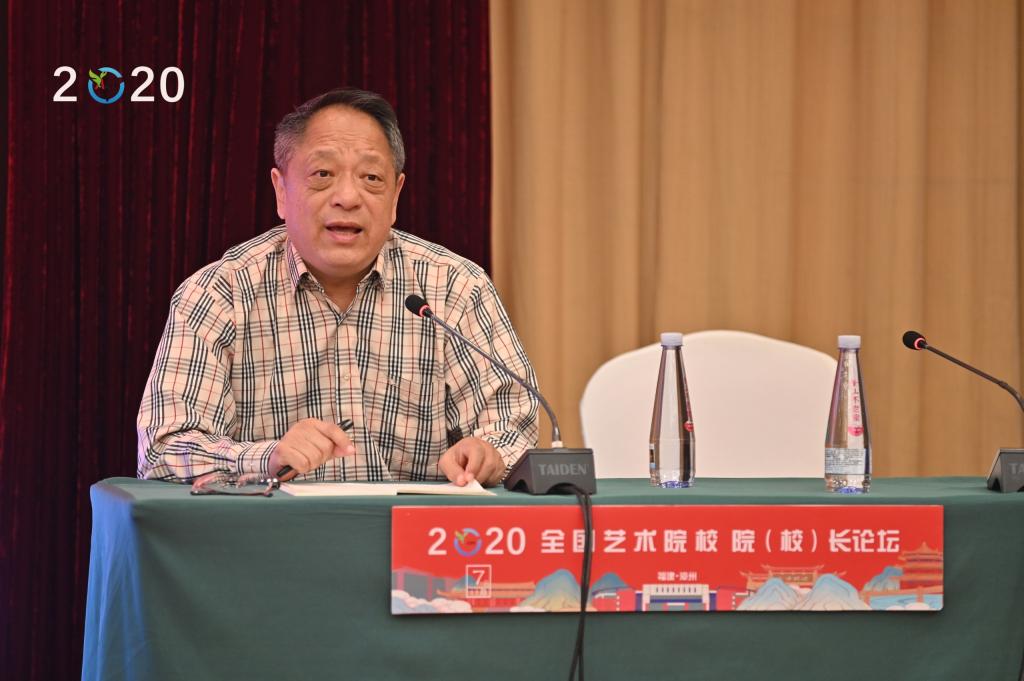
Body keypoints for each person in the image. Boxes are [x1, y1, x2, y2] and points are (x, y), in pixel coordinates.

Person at [137, 88, 538, 487]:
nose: (347, 197)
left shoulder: (454, 287)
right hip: (272, 526)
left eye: (371, 178)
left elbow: (514, 423)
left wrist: (488, 454)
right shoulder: (218, 294)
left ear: (395, 196)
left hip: (412, 526)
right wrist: (266, 457)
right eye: (323, 175)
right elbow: (163, 448)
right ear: (281, 191)